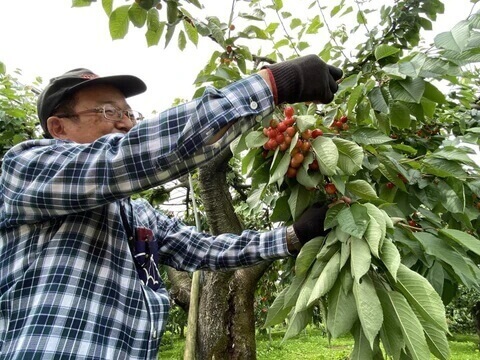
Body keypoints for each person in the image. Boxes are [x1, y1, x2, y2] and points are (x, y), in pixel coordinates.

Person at [0, 55, 342, 359]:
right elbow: (128, 156)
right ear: (59, 127)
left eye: (128, 114)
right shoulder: (25, 168)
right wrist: (273, 84)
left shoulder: (136, 215)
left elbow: (202, 250)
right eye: (108, 111)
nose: (125, 122)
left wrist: (291, 236)